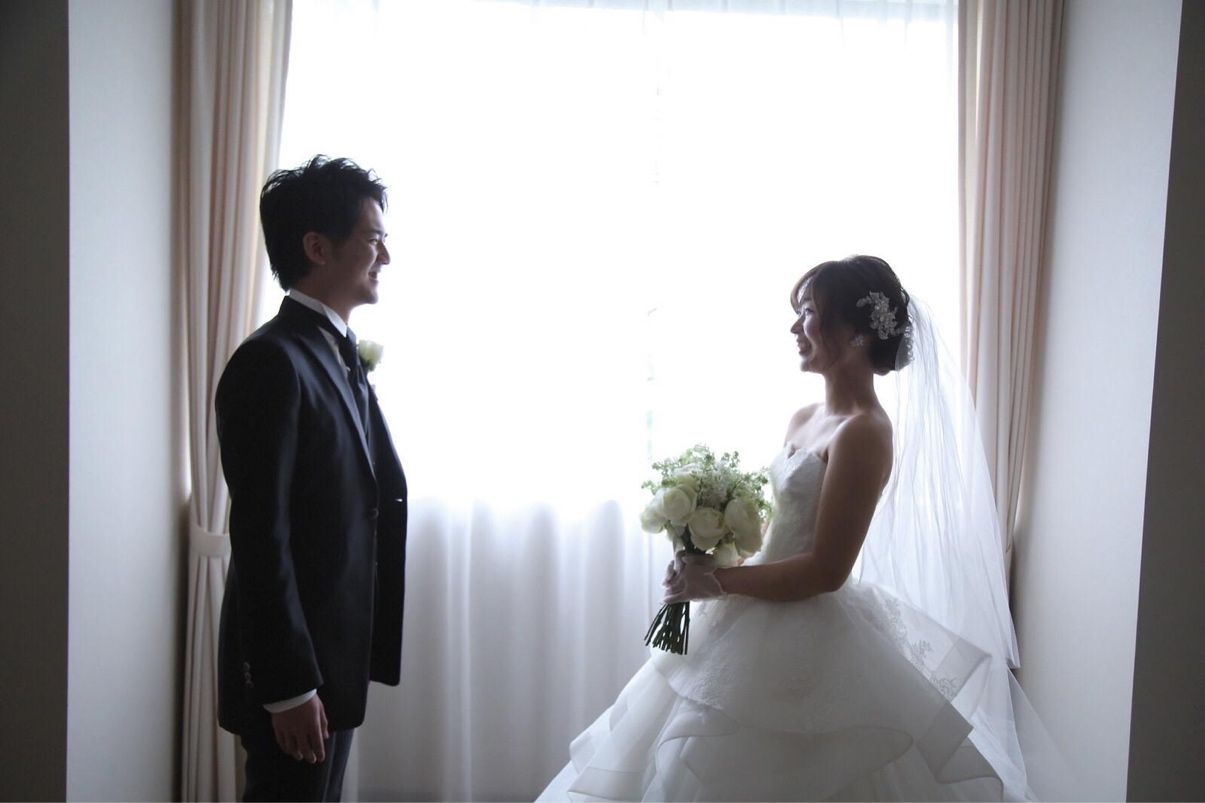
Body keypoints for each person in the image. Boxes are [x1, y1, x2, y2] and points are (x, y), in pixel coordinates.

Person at [538, 255, 1047, 801]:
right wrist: (708, 561)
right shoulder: (803, 418)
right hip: (753, 607)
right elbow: (778, 531)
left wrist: (717, 584)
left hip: (810, 630)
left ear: (855, 332)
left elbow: (826, 571)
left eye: (807, 312)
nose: (794, 327)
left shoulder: (864, 432)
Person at [215, 156, 408, 802]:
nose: (385, 257)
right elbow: (260, 536)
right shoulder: (271, 362)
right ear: (317, 247)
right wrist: (288, 686)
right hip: (294, 674)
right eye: (373, 240)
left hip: (331, 659)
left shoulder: (334, 352)